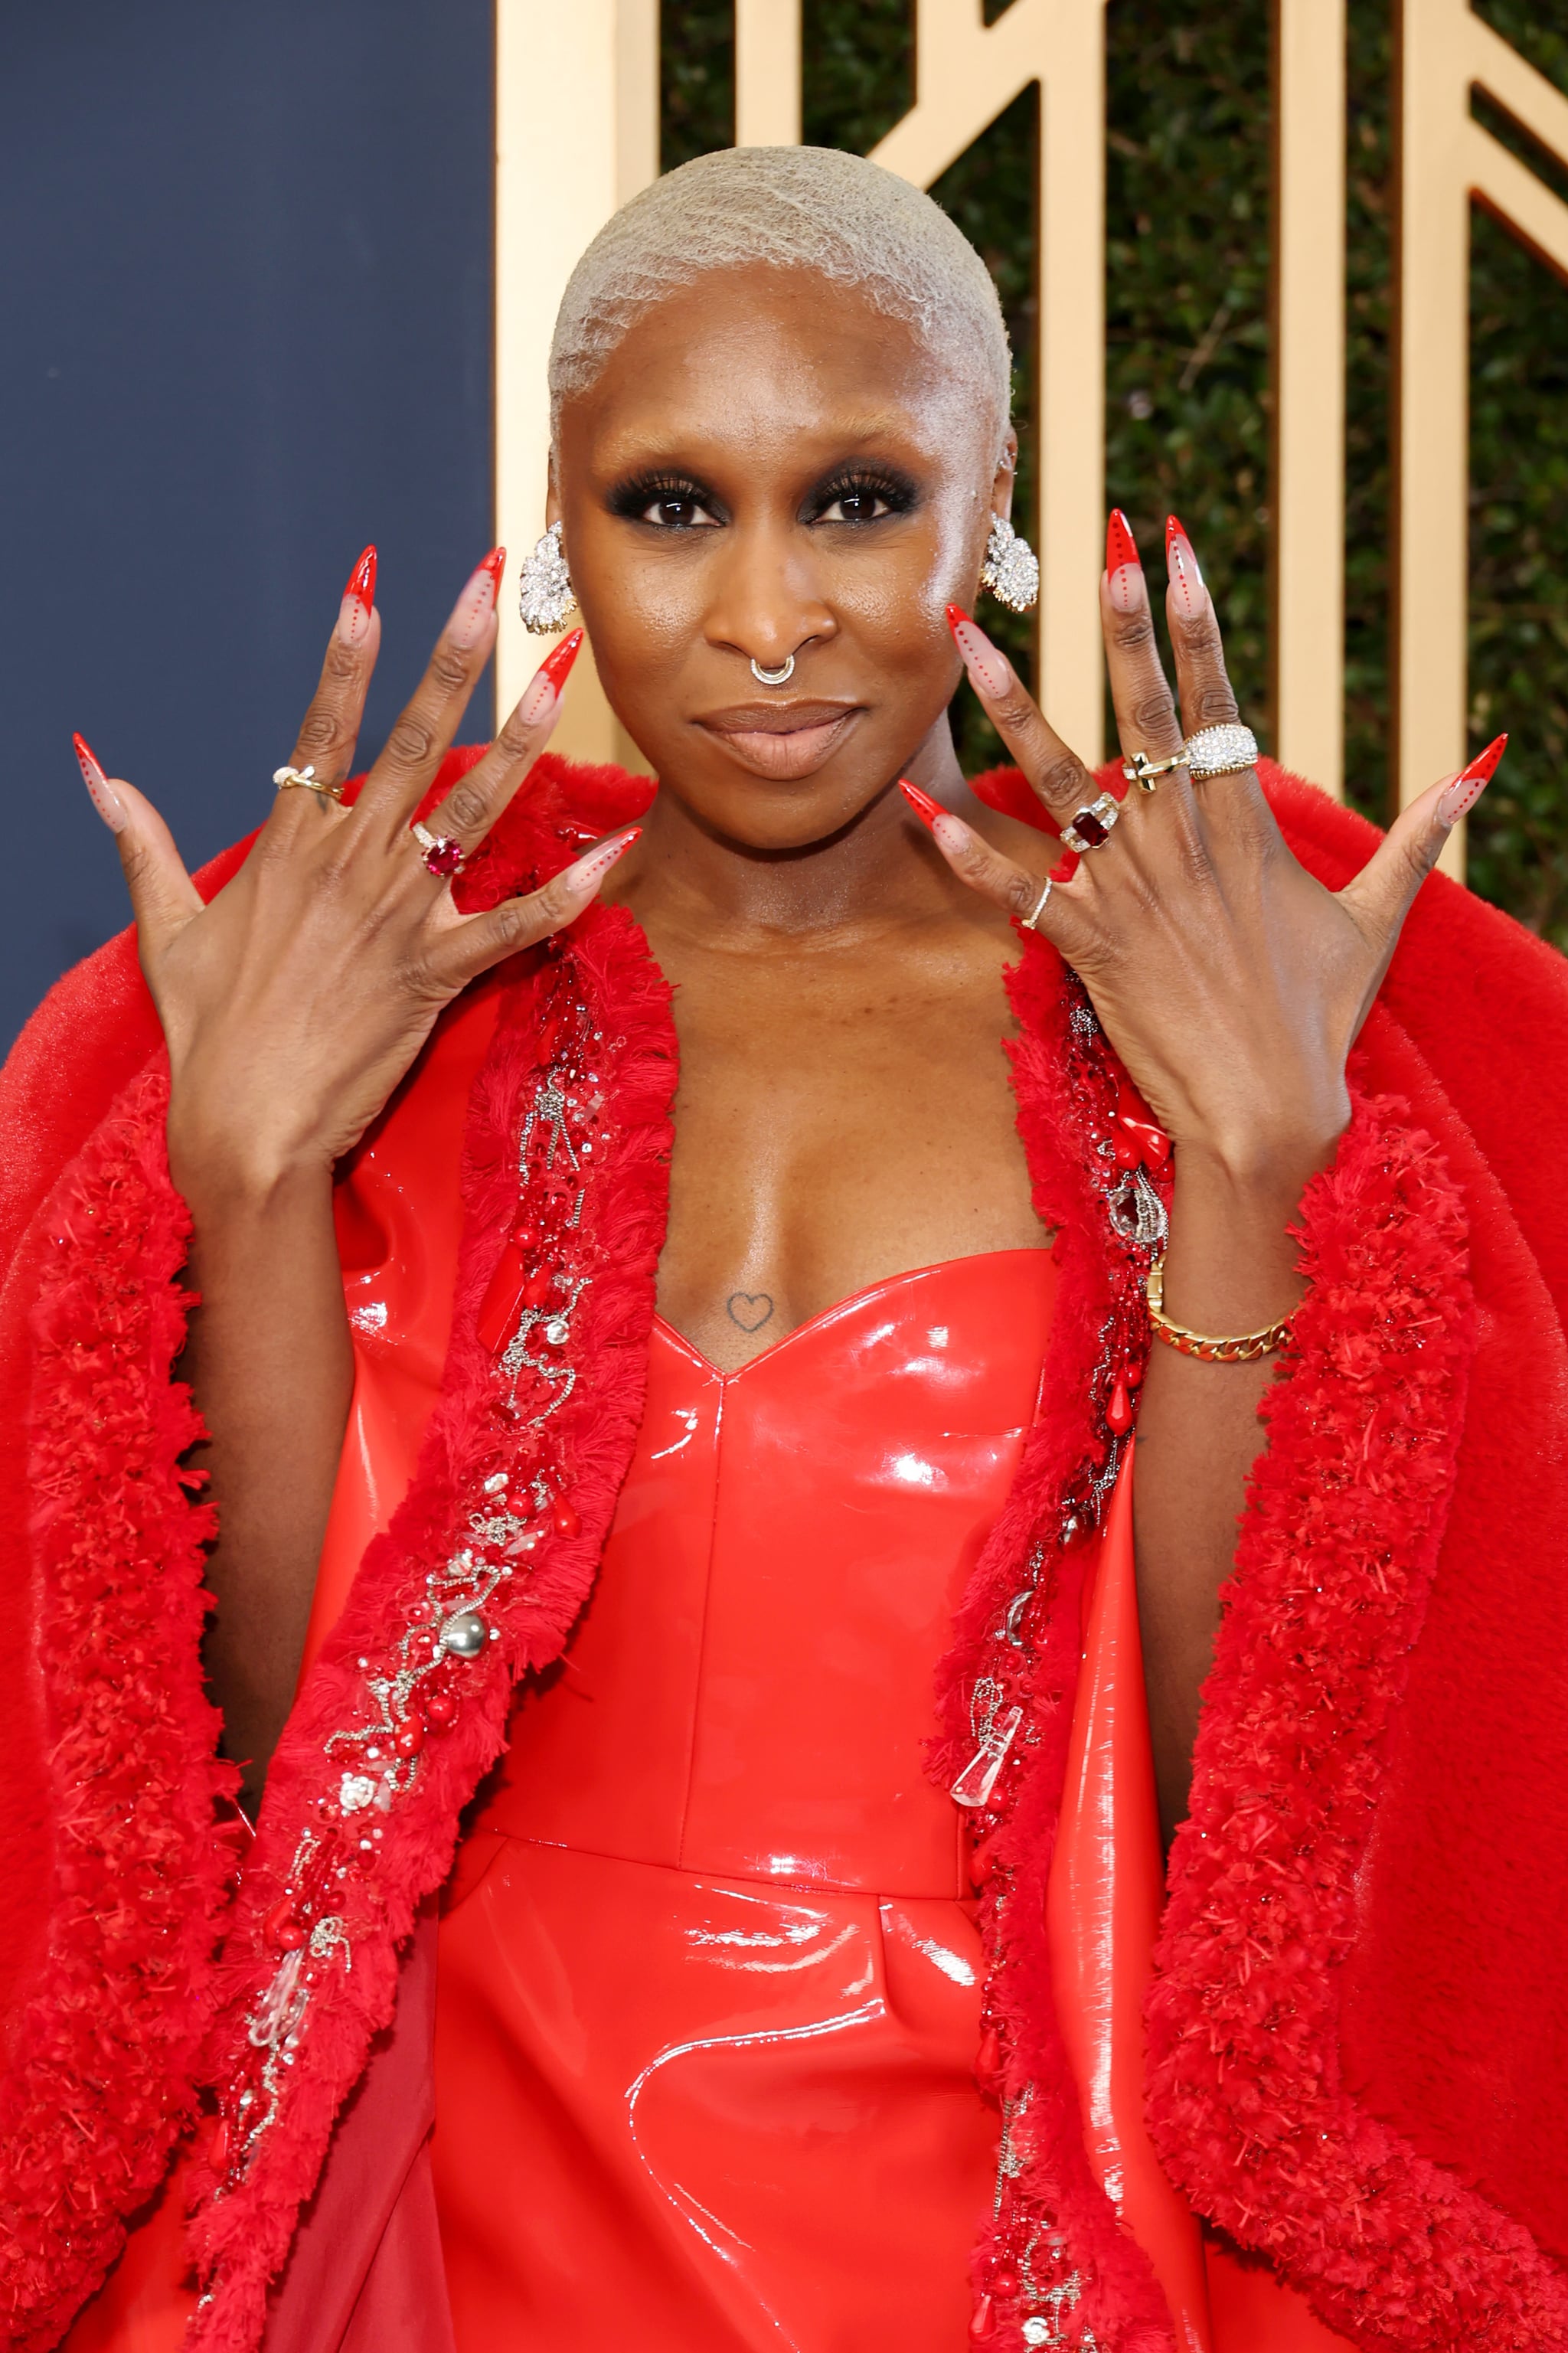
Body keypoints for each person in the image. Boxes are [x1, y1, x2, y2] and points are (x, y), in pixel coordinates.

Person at [1, 145, 1564, 2353]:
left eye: (853, 498)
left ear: (990, 508)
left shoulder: (1168, 1009)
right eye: (669, 505)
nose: (763, 617)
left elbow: (1248, 1805)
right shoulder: (401, 1001)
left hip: (1014, 2195)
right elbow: (252, 1764)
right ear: (559, 530)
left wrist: (1256, 1153)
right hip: (473, 2191)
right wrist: (251, 1174)